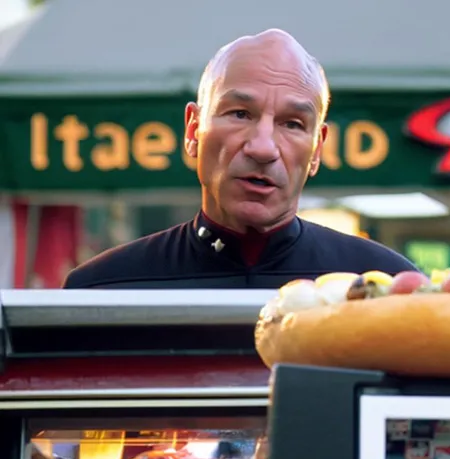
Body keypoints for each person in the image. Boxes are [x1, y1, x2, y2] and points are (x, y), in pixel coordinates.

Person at [63, 29, 417, 290]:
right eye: (239, 114)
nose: (263, 148)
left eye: (292, 124)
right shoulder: (105, 289)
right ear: (192, 131)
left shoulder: (385, 287)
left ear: (317, 149)